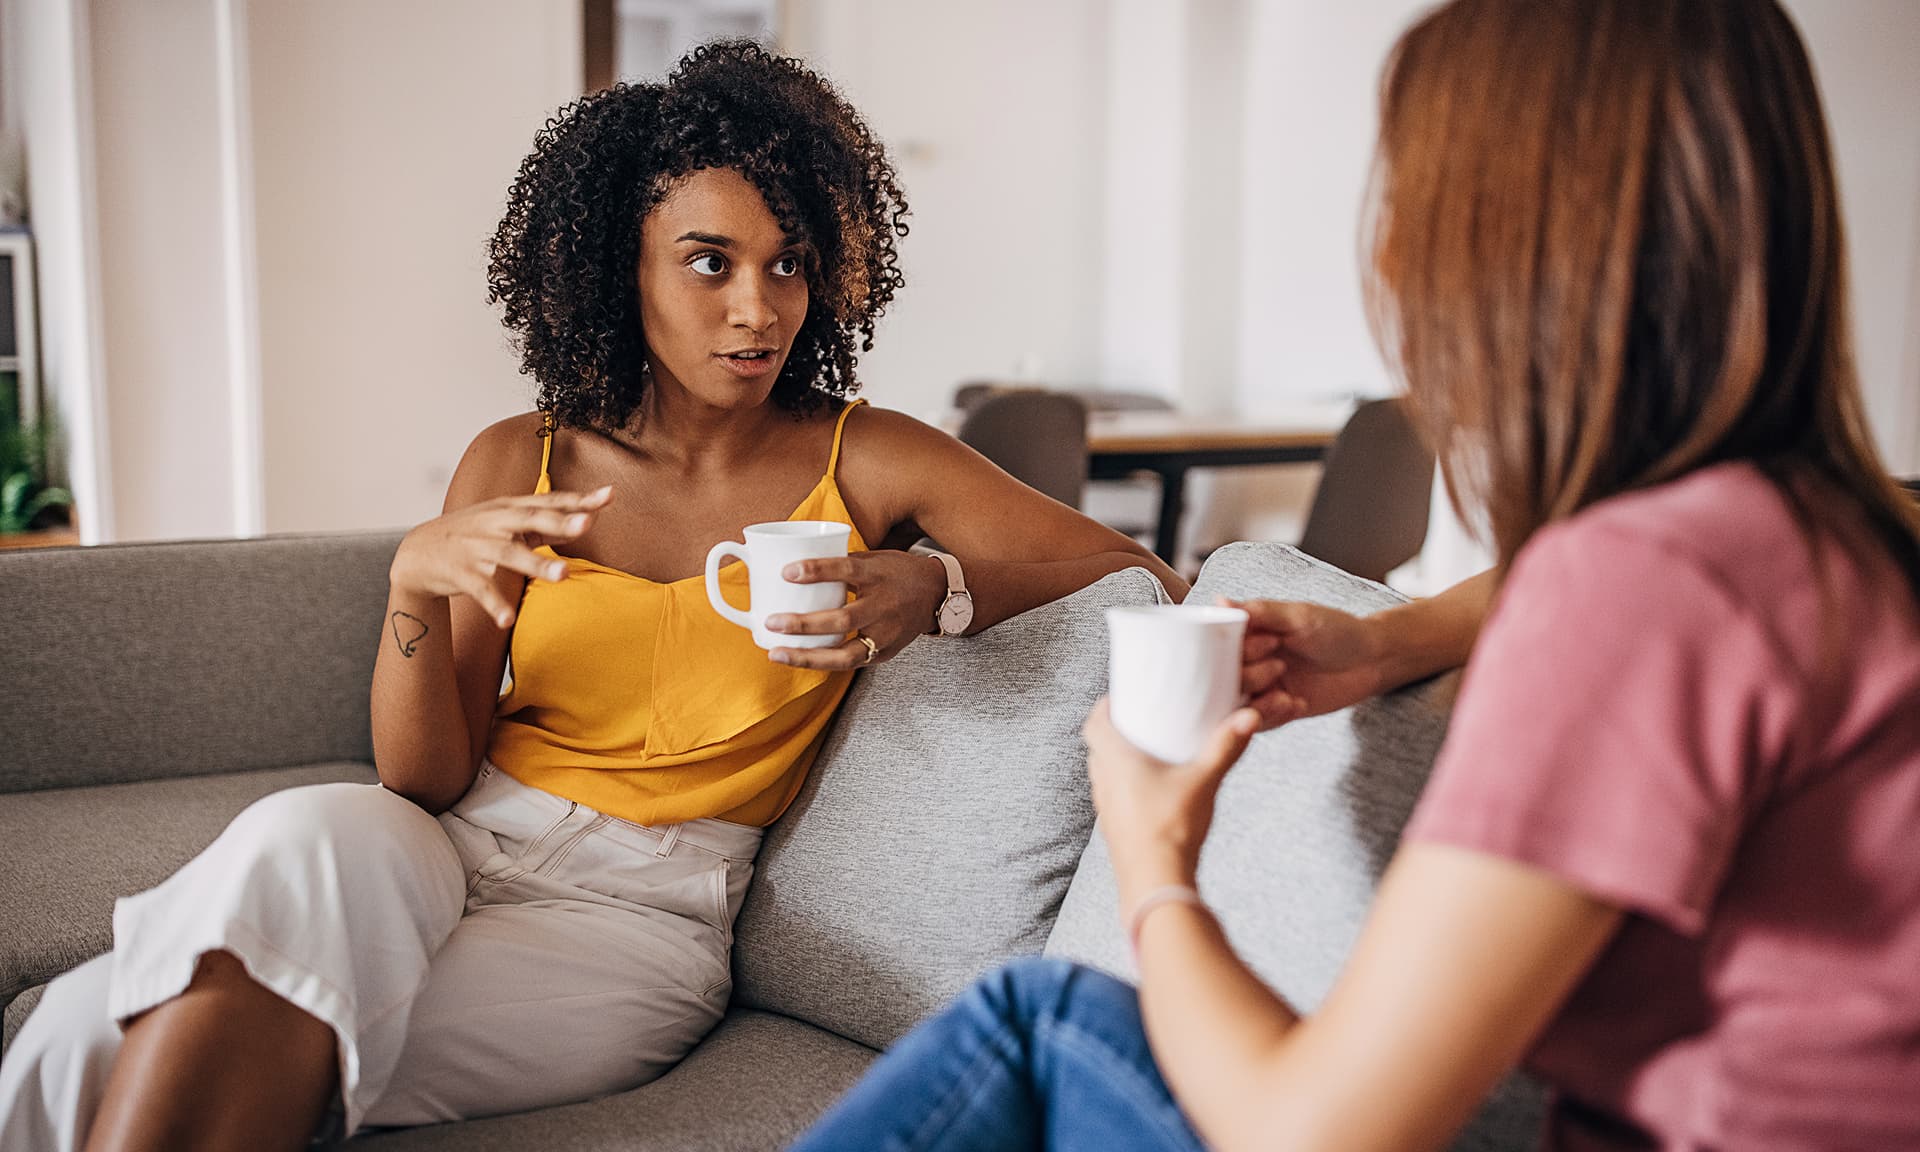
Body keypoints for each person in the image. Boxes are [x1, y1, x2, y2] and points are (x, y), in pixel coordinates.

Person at [0, 42, 1189, 1152]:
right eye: (710, 261)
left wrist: (938, 586)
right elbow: (423, 780)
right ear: (625, 265)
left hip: (637, 924)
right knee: (308, 832)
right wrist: (414, 585)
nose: (758, 308)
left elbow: (1148, 574)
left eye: (788, 263)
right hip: (447, 843)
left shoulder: (872, 458)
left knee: (98, 1032)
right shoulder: (518, 458)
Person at [789, 1, 1920, 1149]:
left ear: (1501, 244)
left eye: (1410, 198)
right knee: (1043, 1019)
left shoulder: (1639, 590)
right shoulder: (1827, 532)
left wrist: (1152, 853)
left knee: (1030, 1024)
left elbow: (1309, 1134)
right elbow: (1572, 583)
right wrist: (1388, 642)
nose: (1386, 254)